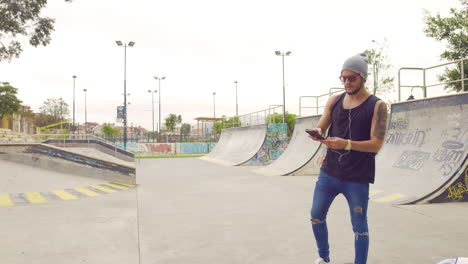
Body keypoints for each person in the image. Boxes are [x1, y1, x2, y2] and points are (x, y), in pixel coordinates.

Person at [306, 53, 388, 264]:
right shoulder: (334, 101)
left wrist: (347, 144)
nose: (347, 82)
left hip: (357, 177)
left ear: (363, 78)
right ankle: (324, 258)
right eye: (343, 78)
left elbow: (376, 143)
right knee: (316, 216)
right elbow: (322, 123)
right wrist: (317, 131)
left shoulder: (377, 106)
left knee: (359, 227)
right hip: (330, 172)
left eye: (352, 78)